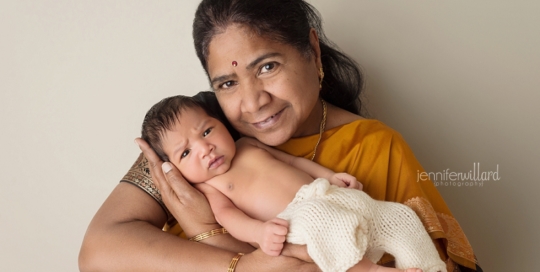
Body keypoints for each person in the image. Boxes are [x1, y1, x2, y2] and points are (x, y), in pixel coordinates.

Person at [79, 0, 481, 271]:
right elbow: (98, 251)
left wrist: (211, 237)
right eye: (227, 82)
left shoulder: (373, 147)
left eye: (267, 67)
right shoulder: (194, 136)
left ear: (313, 51)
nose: (252, 103)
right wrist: (237, 262)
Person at [140, 94, 447, 272]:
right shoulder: (211, 187)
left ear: (221, 123)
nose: (204, 148)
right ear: (174, 170)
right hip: (295, 221)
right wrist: (260, 232)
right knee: (321, 222)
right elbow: (228, 218)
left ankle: (430, 266)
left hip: (329, 196)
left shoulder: (248, 144)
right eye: (186, 152)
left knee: (398, 216)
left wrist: (327, 175)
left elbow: (292, 162)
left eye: (206, 132)